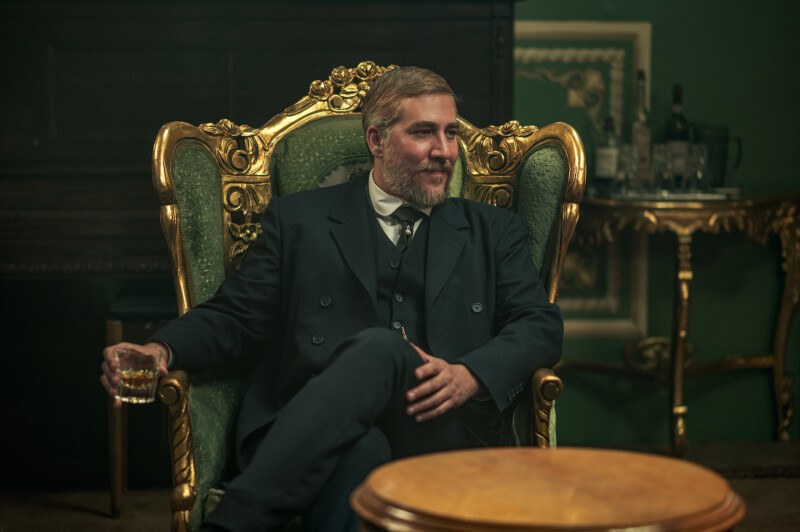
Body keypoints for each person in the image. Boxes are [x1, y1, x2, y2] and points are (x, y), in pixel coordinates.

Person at [101, 66, 563, 531]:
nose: (444, 151)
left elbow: (539, 325)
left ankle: (232, 523)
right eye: (424, 133)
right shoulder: (299, 221)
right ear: (377, 141)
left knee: (382, 349)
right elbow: (236, 315)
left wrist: (469, 376)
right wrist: (161, 349)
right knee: (361, 449)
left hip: (443, 428)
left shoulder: (493, 231)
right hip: (310, 424)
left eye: (450, 133)